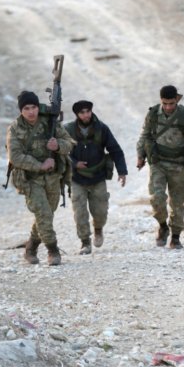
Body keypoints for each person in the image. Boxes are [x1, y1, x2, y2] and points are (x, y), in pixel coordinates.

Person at [6, 91, 75, 265]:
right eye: (26, 108)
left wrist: (58, 145)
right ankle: (53, 251)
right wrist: (39, 165)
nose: (31, 112)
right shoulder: (15, 128)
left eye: (34, 107)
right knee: (43, 214)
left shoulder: (50, 121)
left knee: (47, 215)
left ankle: (31, 247)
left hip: (53, 177)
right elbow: (15, 156)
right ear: (21, 110)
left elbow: (70, 142)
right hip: (30, 180)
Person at [136, 85, 184, 249]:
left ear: (177, 100)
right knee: (157, 198)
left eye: (171, 103)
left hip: (179, 164)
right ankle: (162, 225)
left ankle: (175, 236)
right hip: (158, 163)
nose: (168, 107)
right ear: (161, 101)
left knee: (177, 202)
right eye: (165, 103)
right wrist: (140, 156)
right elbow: (144, 135)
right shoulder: (153, 114)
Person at [64, 100, 128, 255]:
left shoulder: (101, 128)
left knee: (100, 212)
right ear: (77, 115)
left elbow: (115, 150)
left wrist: (122, 171)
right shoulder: (68, 130)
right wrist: (74, 163)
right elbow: (61, 152)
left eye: (88, 111)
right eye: (82, 112)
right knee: (79, 212)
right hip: (77, 178)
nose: (86, 115)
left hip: (97, 177)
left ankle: (98, 229)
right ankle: (85, 242)